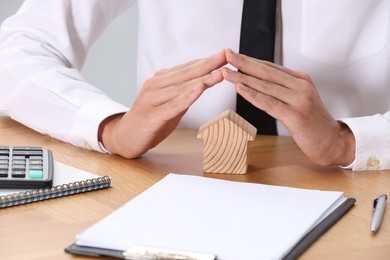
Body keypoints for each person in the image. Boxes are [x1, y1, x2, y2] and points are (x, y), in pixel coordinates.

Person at [0, 0, 389, 171]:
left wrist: (351, 141)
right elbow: (17, 48)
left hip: (355, 181)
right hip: (177, 175)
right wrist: (110, 127)